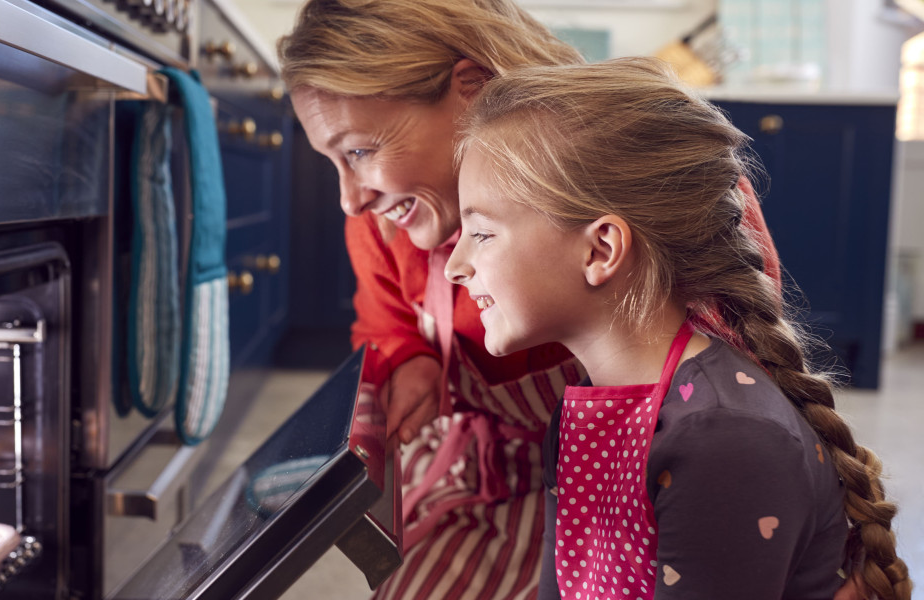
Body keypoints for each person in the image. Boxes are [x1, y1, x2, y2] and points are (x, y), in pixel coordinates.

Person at [278, 1, 785, 599]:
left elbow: (749, 397)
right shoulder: (390, 221)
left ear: (470, 89)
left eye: (360, 151)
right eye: (332, 161)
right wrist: (411, 359)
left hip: (643, 483)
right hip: (488, 475)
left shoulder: (638, 180)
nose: (349, 199)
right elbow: (385, 325)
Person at [444, 57, 912, 600]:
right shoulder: (588, 409)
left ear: (601, 249)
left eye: (480, 233)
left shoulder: (721, 438)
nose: (456, 265)